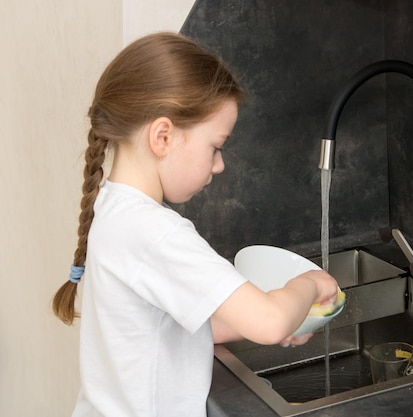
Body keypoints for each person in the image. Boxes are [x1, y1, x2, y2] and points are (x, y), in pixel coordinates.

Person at [52, 32, 339, 417]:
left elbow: (165, 329)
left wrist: (287, 318)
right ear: (163, 137)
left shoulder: (114, 210)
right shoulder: (157, 234)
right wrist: (307, 285)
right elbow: (269, 321)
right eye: (216, 147)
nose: (219, 165)